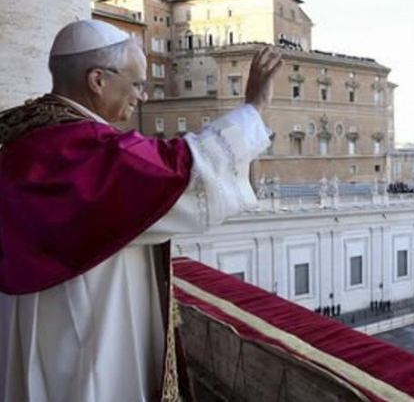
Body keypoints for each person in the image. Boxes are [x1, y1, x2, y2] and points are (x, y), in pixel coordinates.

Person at [0, 20, 283, 402]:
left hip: (36, 322)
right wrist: (254, 108)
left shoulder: (24, 138)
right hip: (85, 330)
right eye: (136, 84)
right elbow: (184, 169)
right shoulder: (89, 151)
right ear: (98, 80)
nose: (143, 97)